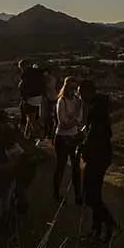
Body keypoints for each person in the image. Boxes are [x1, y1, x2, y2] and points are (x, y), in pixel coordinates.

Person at [77, 79, 117, 243]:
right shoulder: (98, 108)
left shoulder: (96, 111)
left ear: (88, 92)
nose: (79, 96)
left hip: (97, 157)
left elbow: (96, 137)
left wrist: (83, 147)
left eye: (80, 92)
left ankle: (109, 225)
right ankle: (96, 230)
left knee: (92, 196)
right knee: (93, 194)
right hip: (100, 156)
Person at [52, 75, 84, 204]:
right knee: (61, 166)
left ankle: (78, 195)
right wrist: (74, 121)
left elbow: (79, 119)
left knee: (76, 167)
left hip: (74, 136)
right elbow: (63, 123)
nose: (73, 90)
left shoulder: (78, 101)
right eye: (71, 88)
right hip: (62, 137)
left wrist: (73, 121)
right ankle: (56, 193)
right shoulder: (62, 101)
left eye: (75, 88)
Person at [17, 59, 45, 140]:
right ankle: (26, 135)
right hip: (39, 97)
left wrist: (25, 97)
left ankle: (40, 137)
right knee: (30, 118)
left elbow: (23, 87)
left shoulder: (26, 75)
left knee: (31, 120)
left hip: (30, 99)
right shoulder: (37, 73)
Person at [42, 68, 60, 141]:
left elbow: (48, 87)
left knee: (49, 118)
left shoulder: (49, 79)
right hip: (53, 98)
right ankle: (49, 134)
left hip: (50, 99)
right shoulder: (53, 78)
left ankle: (49, 135)